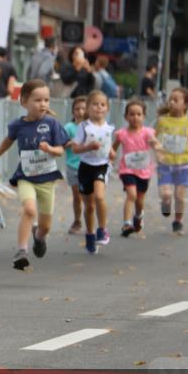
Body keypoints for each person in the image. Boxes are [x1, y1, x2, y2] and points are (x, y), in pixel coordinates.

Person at [0, 79, 69, 271]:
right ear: (24, 102)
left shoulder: (52, 124)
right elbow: (8, 141)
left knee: (45, 226)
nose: (43, 104)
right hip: (26, 177)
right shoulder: (18, 125)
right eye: (37, 100)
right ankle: (22, 251)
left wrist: (50, 149)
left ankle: (39, 237)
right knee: (30, 210)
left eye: (46, 100)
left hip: (47, 179)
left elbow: (61, 150)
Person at [69, 90, 116, 254]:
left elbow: (107, 145)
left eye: (102, 105)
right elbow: (75, 148)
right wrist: (88, 147)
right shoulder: (84, 127)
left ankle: (102, 229)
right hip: (85, 167)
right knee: (88, 206)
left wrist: (111, 153)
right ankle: (89, 234)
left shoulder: (109, 127)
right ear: (88, 108)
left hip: (101, 166)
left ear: (107, 108)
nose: (99, 108)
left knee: (99, 196)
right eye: (95, 104)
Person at [154, 87, 188, 234]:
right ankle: (165, 203)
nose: (171, 102)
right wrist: (158, 153)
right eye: (170, 99)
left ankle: (178, 221)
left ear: (185, 105)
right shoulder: (162, 121)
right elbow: (154, 139)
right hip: (165, 164)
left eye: (176, 100)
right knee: (167, 194)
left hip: (182, 164)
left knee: (180, 196)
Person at [113, 99, 159, 237]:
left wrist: (157, 147)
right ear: (126, 116)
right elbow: (114, 148)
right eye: (131, 114)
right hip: (127, 169)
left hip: (144, 171)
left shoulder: (148, 132)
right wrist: (110, 157)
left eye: (139, 114)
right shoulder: (121, 134)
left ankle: (138, 216)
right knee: (131, 195)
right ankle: (126, 224)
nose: (135, 117)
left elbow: (155, 144)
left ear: (144, 116)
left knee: (139, 200)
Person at [63, 96, 87, 235]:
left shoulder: (92, 126)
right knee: (77, 196)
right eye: (77, 109)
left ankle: (90, 221)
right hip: (73, 166)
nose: (80, 111)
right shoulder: (69, 127)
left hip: (89, 166)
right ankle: (77, 220)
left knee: (89, 197)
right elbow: (62, 144)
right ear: (73, 112)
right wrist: (72, 142)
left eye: (83, 108)